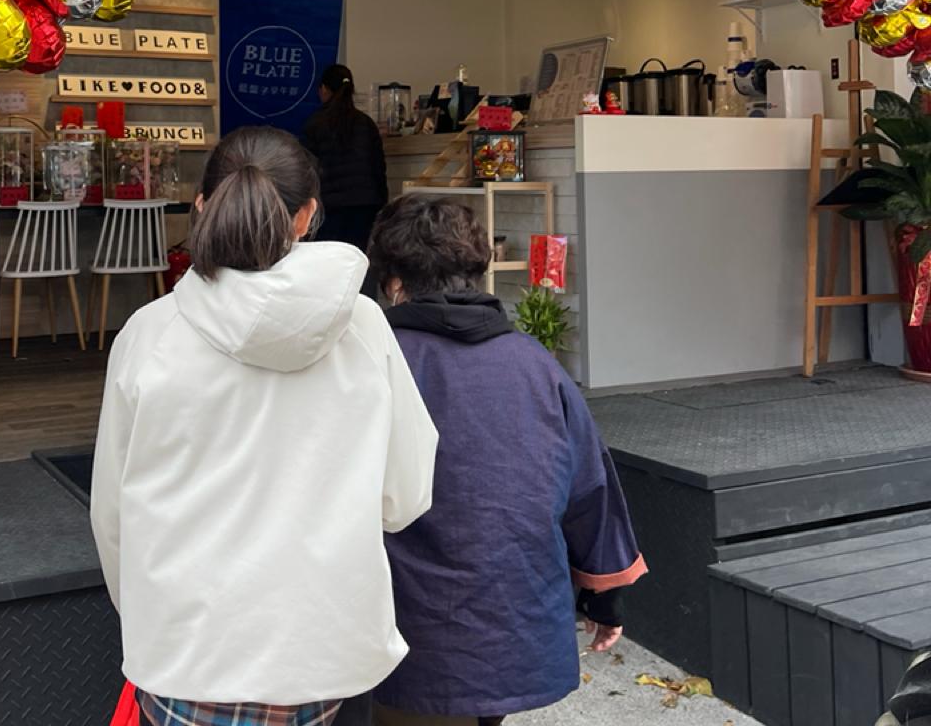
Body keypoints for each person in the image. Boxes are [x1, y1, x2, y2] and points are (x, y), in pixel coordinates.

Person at [90, 127, 439, 726]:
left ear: (202, 205)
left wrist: (152, 620)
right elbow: (404, 498)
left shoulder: (149, 333)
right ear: (307, 216)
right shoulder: (363, 326)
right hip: (326, 655)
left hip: (187, 657)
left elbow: (112, 515)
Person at [366, 196, 647, 726]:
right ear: (477, 273)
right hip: (512, 623)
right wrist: (605, 597)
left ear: (394, 283)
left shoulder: (369, 361)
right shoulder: (537, 366)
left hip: (401, 629)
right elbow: (589, 489)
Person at [302, 64, 388, 254]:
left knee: (329, 261)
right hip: (366, 206)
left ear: (324, 90)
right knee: (360, 260)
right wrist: (382, 204)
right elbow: (379, 168)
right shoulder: (366, 123)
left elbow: (307, 171)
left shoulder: (315, 124)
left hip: (329, 209)